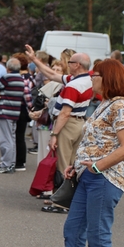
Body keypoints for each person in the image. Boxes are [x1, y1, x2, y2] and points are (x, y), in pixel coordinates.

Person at [35, 59, 124, 247]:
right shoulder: (105, 103)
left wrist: (96, 166)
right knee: (73, 230)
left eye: (96, 75)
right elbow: (95, 141)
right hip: (87, 176)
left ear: (109, 78)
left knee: (98, 236)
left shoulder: (121, 106)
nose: (91, 79)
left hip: (104, 180)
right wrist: (78, 165)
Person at [27, 47, 93, 213]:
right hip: (78, 124)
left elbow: (64, 113)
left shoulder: (73, 85)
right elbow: (52, 75)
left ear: (77, 65)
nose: (67, 64)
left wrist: (55, 134)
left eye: (70, 62)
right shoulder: (85, 80)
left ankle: (61, 203)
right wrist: (35, 60)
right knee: (71, 163)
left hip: (67, 125)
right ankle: (70, 201)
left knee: (62, 164)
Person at [0, 57, 27, 174]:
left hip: (4, 111)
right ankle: (11, 163)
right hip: (14, 112)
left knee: (5, 139)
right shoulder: (21, 79)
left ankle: (5, 164)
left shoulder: (7, 77)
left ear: (8, 68)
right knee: (12, 138)